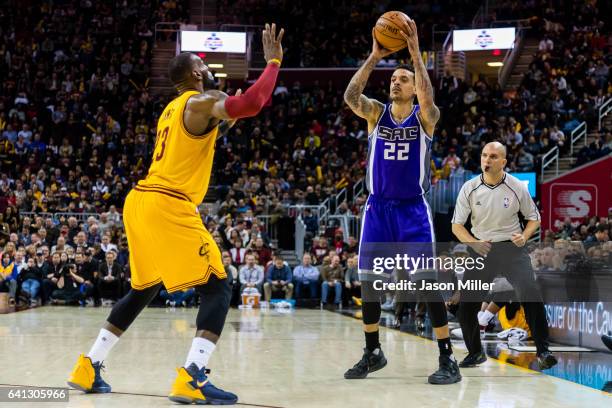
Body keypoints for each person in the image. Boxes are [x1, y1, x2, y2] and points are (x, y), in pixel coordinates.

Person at [68, 23, 285, 405]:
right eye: (203, 62)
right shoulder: (201, 100)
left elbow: (205, 133)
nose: (207, 67)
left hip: (141, 200)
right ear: (197, 73)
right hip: (169, 202)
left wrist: (226, 118)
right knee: (218, 285)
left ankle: (88, 366)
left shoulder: (173, 109)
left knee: (143, 290)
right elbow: (252, 104)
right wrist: (273, 62)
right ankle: (192, 377)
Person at [342, 18, 460, 384]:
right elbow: (350, 97)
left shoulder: (426, 116)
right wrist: (376, 55)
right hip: (378, 208)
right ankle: (373, 352)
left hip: (412, 209)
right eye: (394, 78)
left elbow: (428, 96)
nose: (397, 80)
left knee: (426, 283)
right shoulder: (376, 113)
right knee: (369, 282)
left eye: (403, 78)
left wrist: (413, 54)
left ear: (414, 87)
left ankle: (447, 359)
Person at [451, 142, 557, 370]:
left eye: (493, 156)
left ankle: (543, 350)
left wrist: (525, 236)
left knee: (529, 292)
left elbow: (533, 218)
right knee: (467, 304)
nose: (487, 160)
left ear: (503, 162)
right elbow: (456, 226)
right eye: (484, 155)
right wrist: (473, 243)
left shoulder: (516, 186)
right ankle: (475, 352)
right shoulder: (469, 188)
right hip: (481, 247)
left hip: (511, 248)